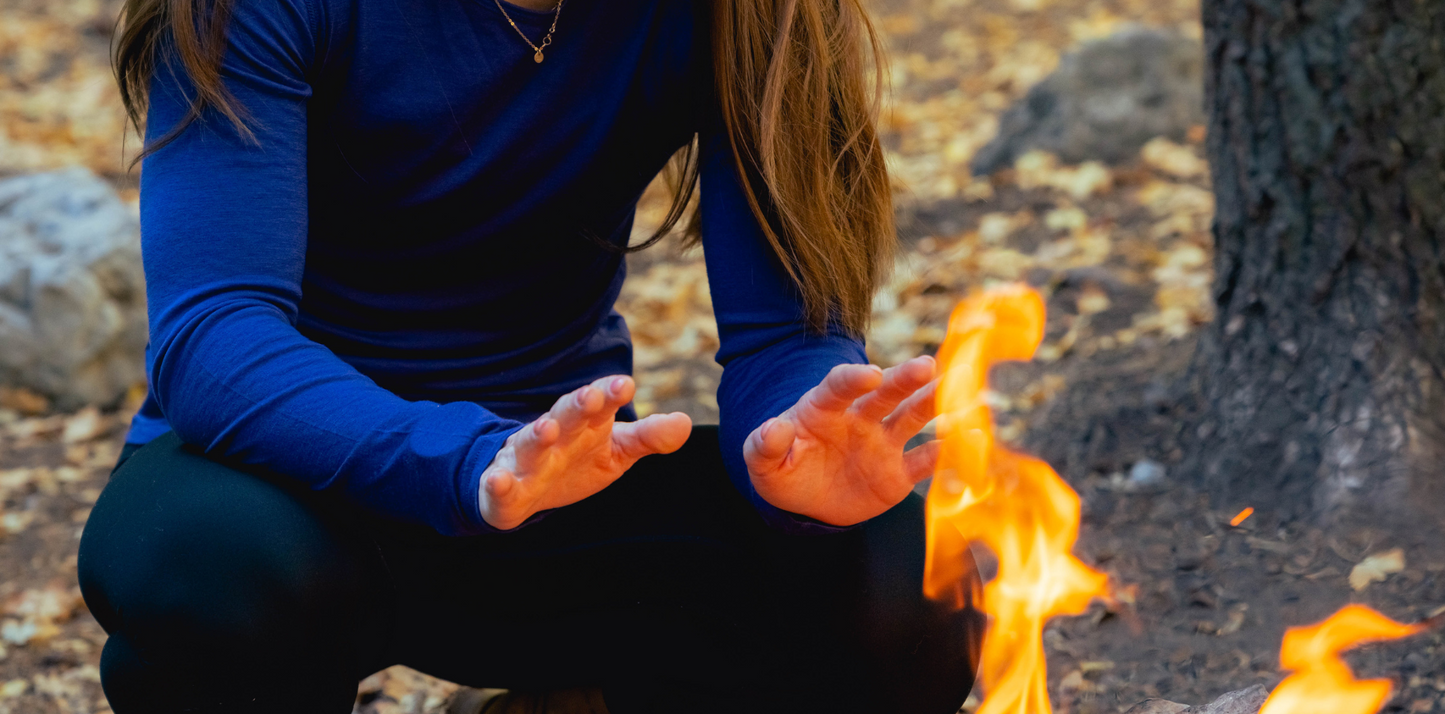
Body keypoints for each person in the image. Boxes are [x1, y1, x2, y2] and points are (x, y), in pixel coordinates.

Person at [75, 0, 984, 710]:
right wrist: (463, 463)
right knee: (198, 562)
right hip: (292, 493)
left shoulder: (752, 15)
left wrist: (791, 453)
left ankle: (572, 704)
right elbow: (214, 334)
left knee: (908, 586)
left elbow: (786, 334)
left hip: (557, 483)